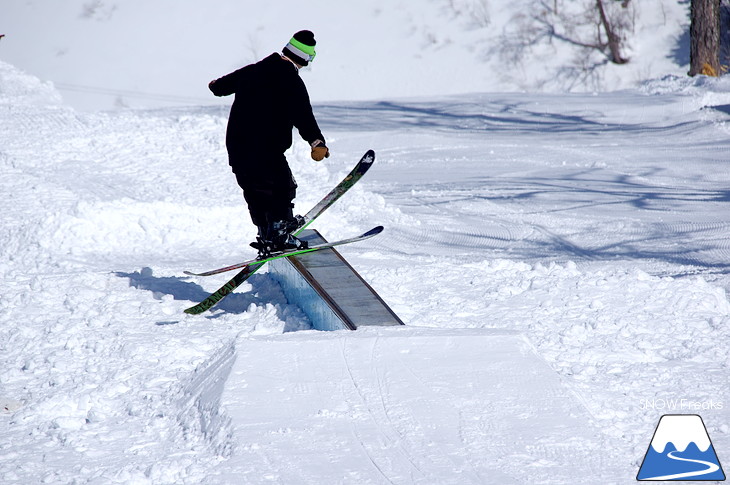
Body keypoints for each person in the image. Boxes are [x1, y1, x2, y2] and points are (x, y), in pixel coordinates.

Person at [208, 30, 329, 257]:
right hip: (265, 150)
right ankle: (280, 236)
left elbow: (219, 87)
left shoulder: (253, 70)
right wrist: (317, 142)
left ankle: (267, 233)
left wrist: (215, 84)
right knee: (282, 188)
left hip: (237, 147)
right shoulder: (291, 81)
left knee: (255, 192)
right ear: (304, 58)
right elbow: (303, 116)